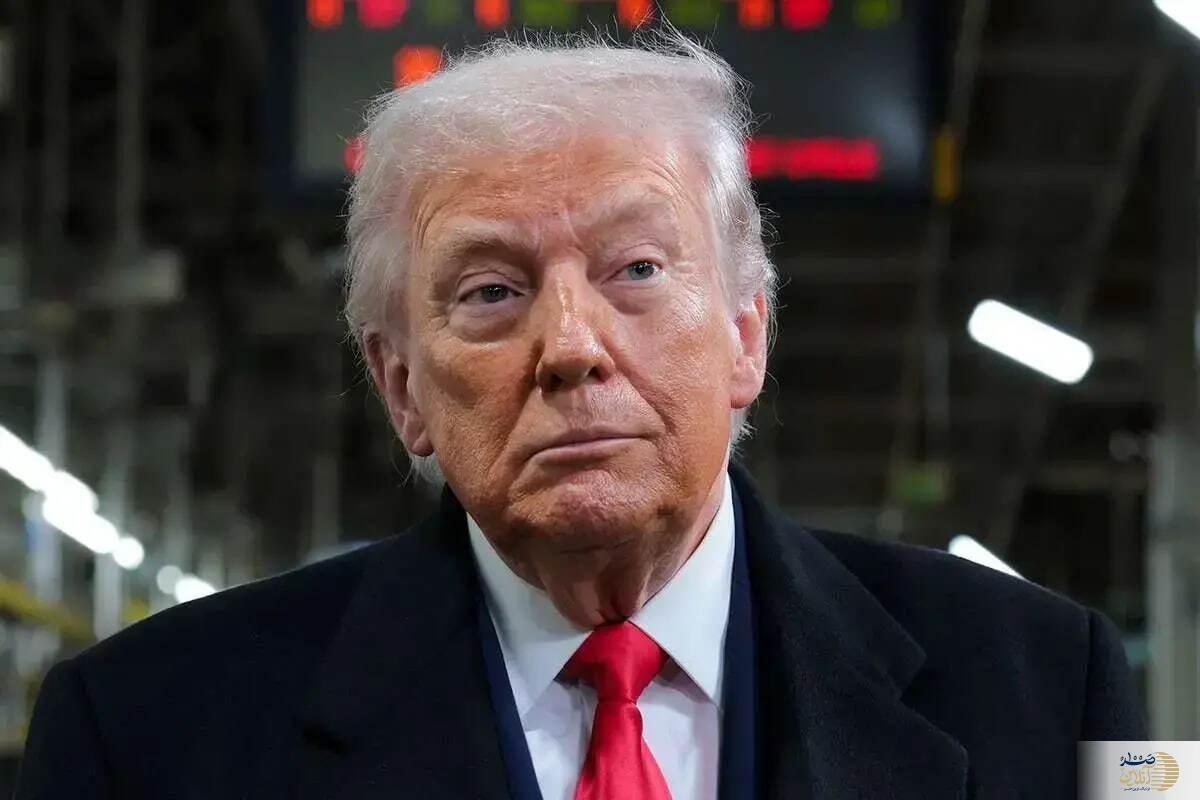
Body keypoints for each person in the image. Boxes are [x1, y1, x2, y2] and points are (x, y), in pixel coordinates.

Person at [18, 34, 1144, 800]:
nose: (571, 345)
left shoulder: (1063, 684)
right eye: (490, 291)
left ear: (745, 335)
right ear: (402, 387)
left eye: (637, 269)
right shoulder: (140, 731)